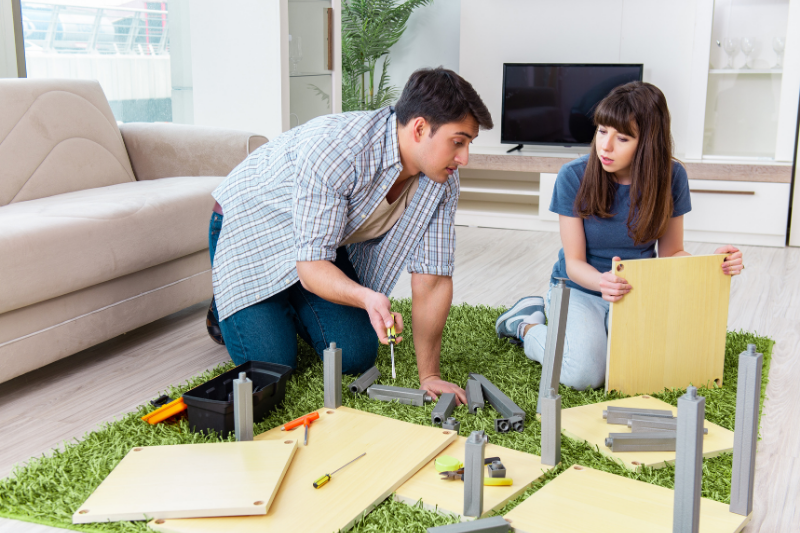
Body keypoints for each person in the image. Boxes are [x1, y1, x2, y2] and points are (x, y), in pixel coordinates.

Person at [206, 67, 493, 403]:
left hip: (318, 244)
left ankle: (290, 298)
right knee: (273, 366)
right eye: (458, 142)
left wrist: (429, 375)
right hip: (251, 231)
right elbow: (313, 265)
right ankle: (228, 301)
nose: (465, 158)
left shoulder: (442, 180)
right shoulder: (338, 148)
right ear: (419, 128)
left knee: (355, 354)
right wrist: (364, 298)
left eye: (468, 144)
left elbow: (432, 280)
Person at [495, 81, 744, 390]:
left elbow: (671, 254)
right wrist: (602, 282)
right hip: (580, 287)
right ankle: (527, 323)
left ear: (648, 143)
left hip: (637, 288)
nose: (605, 146)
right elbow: (573, 262)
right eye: (601, 131)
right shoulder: (574, 176)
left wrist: (712, 263)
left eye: (622, 138)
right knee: (584, 375)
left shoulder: (671, 177)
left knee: (639, 368)